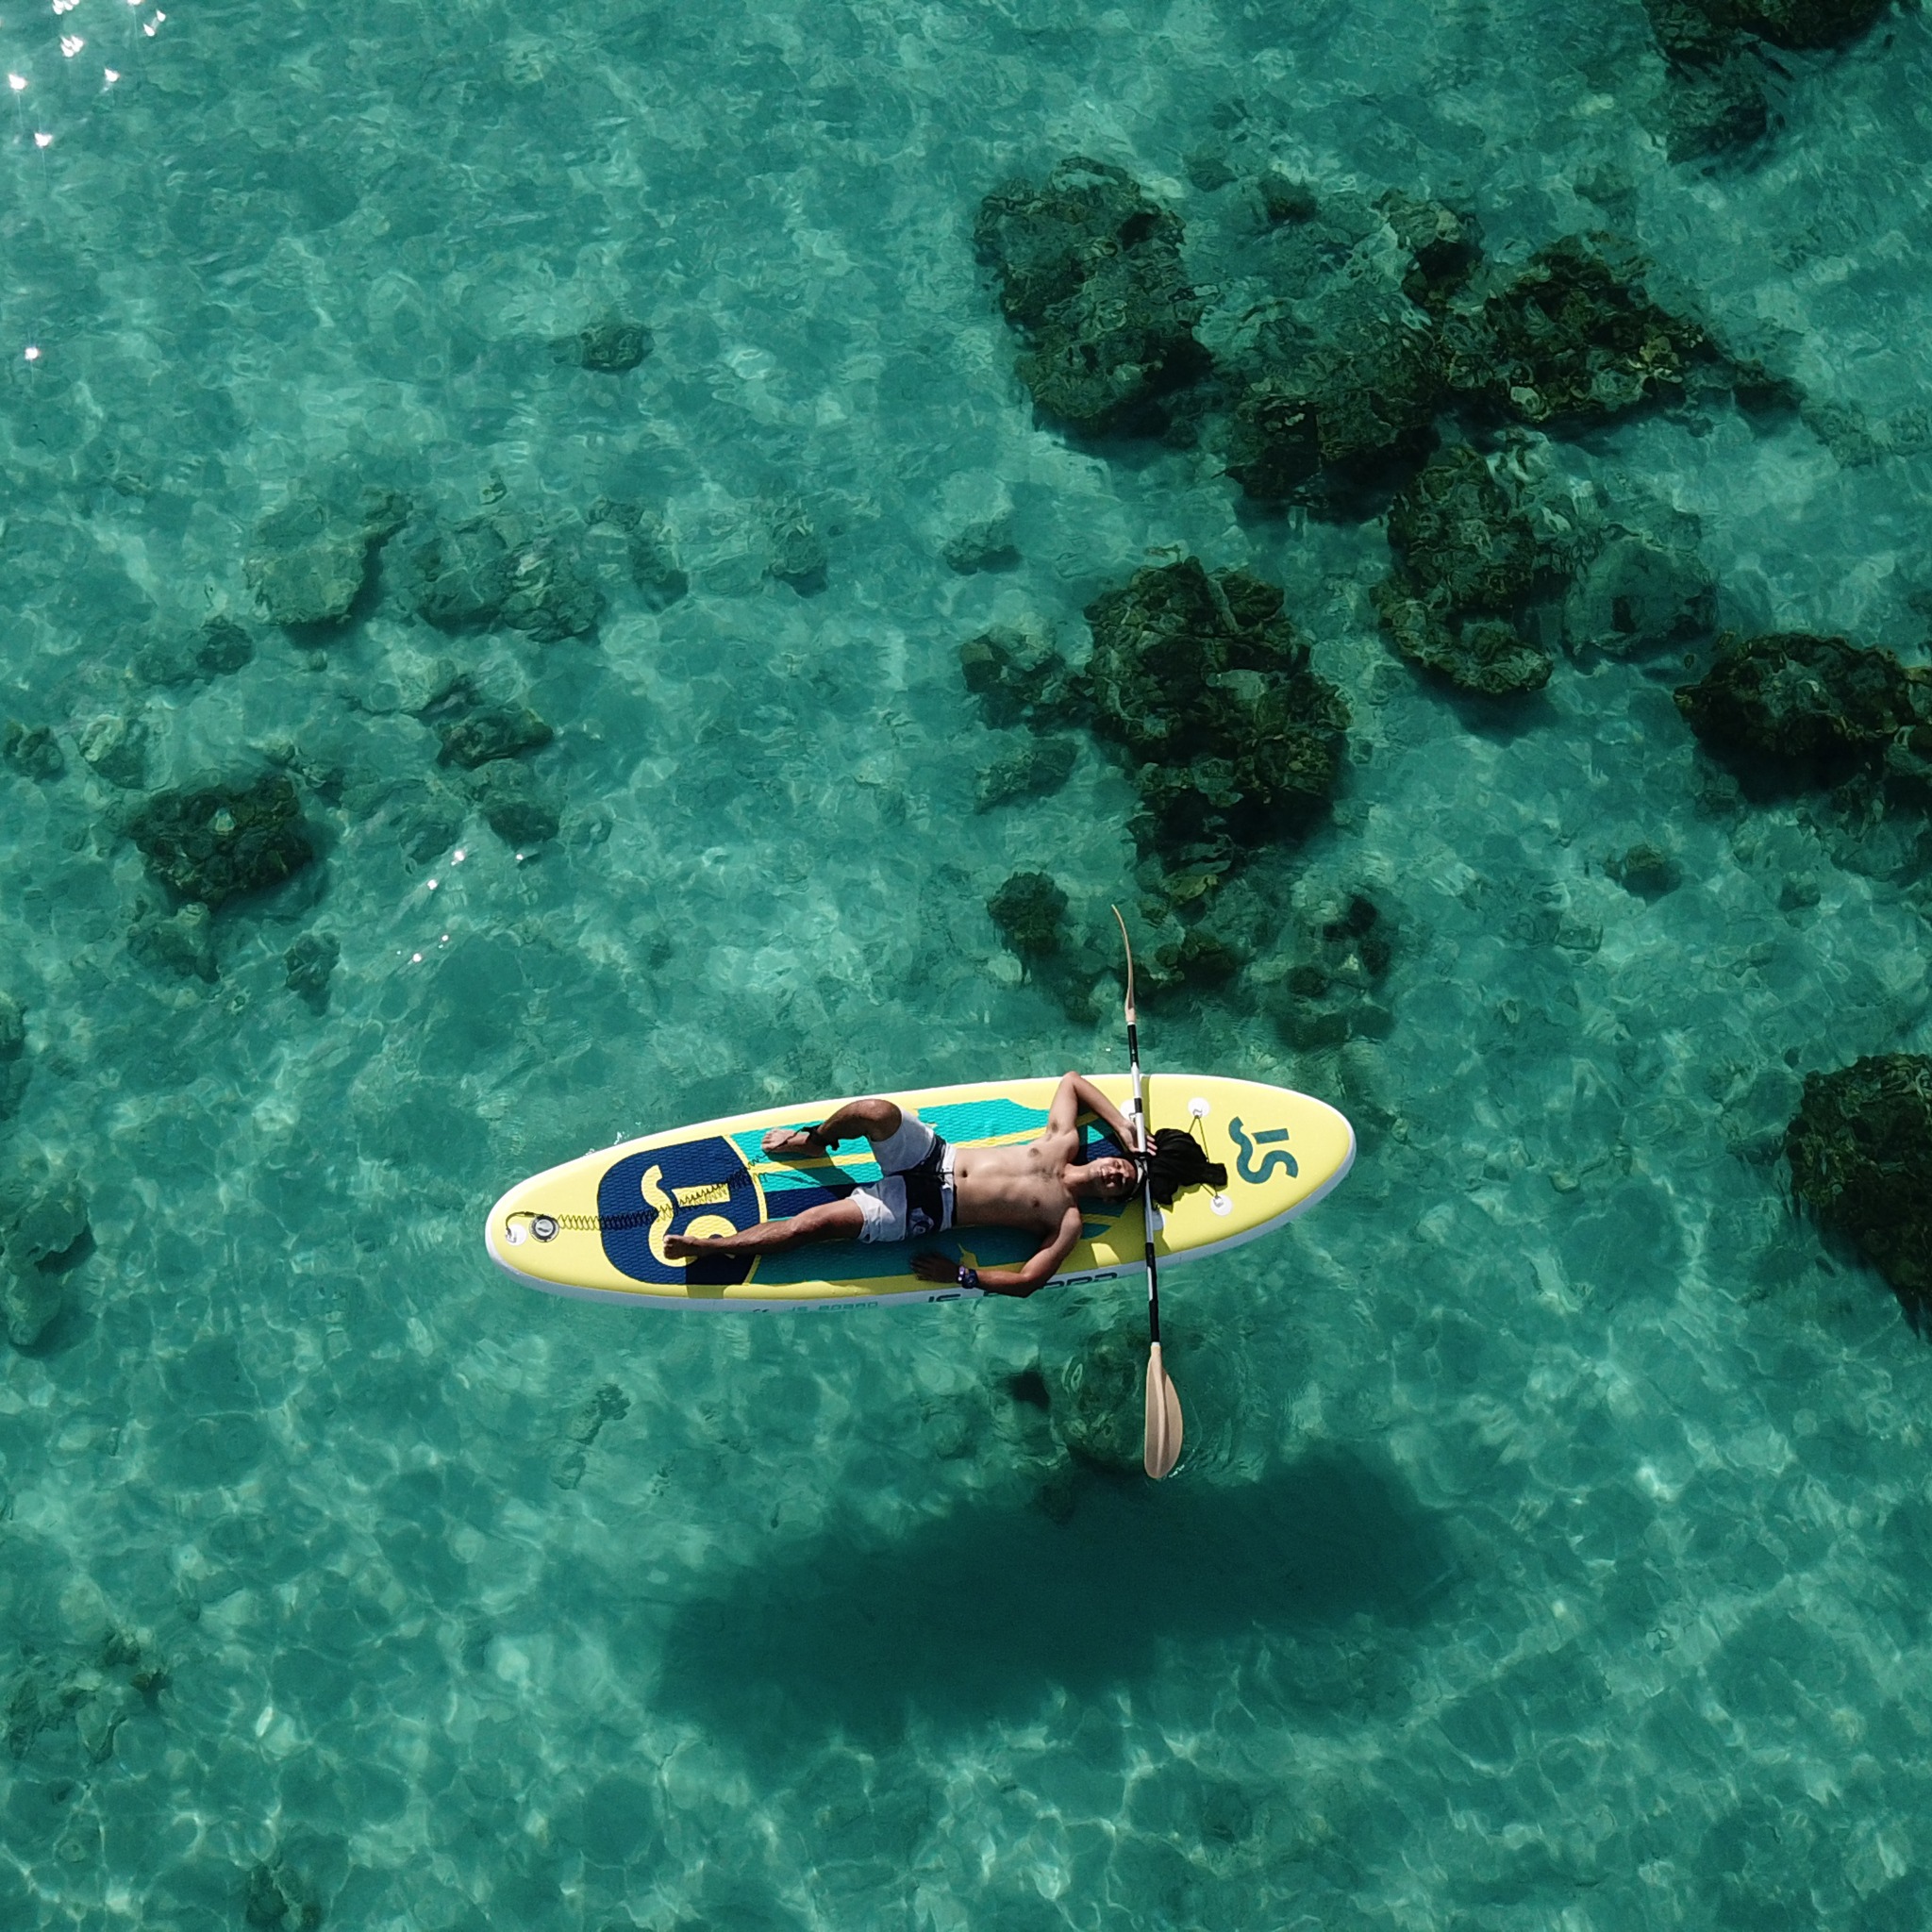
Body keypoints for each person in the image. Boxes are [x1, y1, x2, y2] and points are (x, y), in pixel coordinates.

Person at [662, 1071, 1182, 1297]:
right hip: (935, 1153)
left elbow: (1028, 1282)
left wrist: (960, 1276)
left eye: (1120, 1186)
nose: (1114, 1174)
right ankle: (814, 1140)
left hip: (923, 1210)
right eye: (1121, 1166)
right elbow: (1073, 1081)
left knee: (812, 1227)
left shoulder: (1066, 1219)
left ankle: (712, 1247)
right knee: (874, 1111)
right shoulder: (1063, 1140)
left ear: (1113, 1197)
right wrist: (1125, 1128)